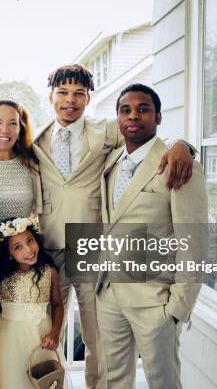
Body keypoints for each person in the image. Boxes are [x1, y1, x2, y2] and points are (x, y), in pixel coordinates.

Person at [32, 64, 196, 388]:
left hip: (91, 248)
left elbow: (147, 135)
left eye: (79, 94)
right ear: (50, 96)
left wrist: (183, 146)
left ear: (88, 98)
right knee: (44, 332)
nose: (70, 100)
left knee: (99, 339)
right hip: (48, 249)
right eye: (63, 93)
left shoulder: (106, 130)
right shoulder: (35, 138)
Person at [96, 84, 208, 388]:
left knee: (164, 382)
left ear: (158, 116)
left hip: (155, 300)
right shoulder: (110, 162)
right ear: (118, 118)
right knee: (115, 380)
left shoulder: (179, 164)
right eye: (125, 110)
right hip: (109, 293)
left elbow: (193, 242)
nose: (134, 116)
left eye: (143, 109)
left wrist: (177, 309)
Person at [0, 215, 65, 389]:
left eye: (30, 241)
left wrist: (55, 333)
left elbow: (57, 305)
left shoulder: (50, 272)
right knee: (15, 378)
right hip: (10, 336)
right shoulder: (0, 276)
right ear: (8, 253)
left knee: (43, 379)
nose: (28, 249)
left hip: (42, 332)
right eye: (18, 247)